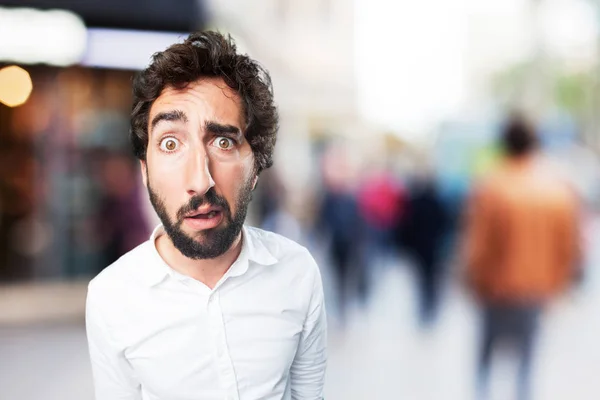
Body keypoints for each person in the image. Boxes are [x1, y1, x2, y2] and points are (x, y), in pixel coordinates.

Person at [86, 31, 327, 400]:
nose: (200, 181)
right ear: (145, 170)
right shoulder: (110, 297)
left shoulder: (297, 272)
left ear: (256, 167)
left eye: (224, 142)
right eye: (170, 143)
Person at [463, 114, 580, 400]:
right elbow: (568, 247)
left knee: (486, 357)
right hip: (536, 290)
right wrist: (558, 285)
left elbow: (478, 243)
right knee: (527, 361)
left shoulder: (491, 186)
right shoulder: (557, 189)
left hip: (496, 288)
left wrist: (472, 280)